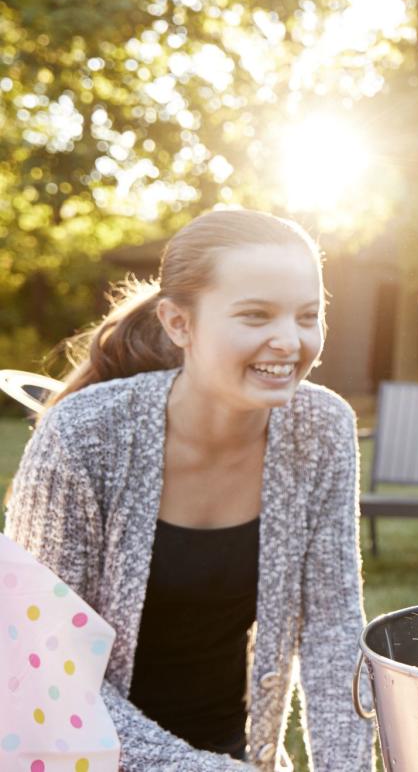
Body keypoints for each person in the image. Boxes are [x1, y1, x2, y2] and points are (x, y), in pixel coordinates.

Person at [4, 210, 374, 770]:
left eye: (307, 316)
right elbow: (41, 667)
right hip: (75, 755)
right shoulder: (83, 437)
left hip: (230, 753)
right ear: (179, 323)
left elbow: (333, 628)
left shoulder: (322, 428)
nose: (290, 340)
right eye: (255, 315)